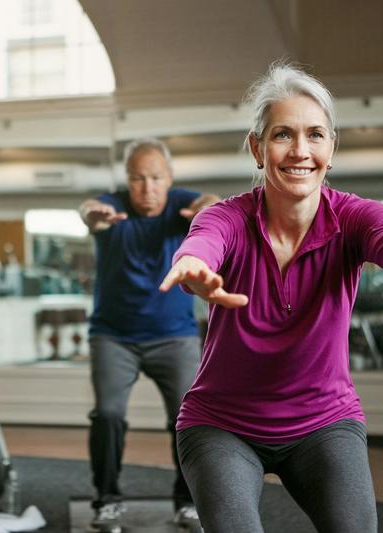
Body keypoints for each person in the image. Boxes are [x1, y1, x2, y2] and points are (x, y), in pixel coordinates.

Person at [158, 62, 383, 533]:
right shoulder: (228, 217)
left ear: (332, 148)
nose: (300, 151)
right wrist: (194, 268)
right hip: (222, 424)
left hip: (323, 421)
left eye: (314, 135)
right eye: (282, 135)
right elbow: (204, 243)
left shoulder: (353, 217)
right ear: (256, 147)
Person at [78, 138, 219, 532]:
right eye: (138, 178)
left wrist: (207, 209)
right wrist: (94, 215)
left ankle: (187, 500)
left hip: (174, 337)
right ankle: (106, 500)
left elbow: (212, 200)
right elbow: (89, 209)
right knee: (107, 415)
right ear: (127, 179)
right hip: (113, 337)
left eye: (156, 178)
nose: (147, 187)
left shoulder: (181, 204)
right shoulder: (114, 207)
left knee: (188, 418)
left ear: (169, 178)